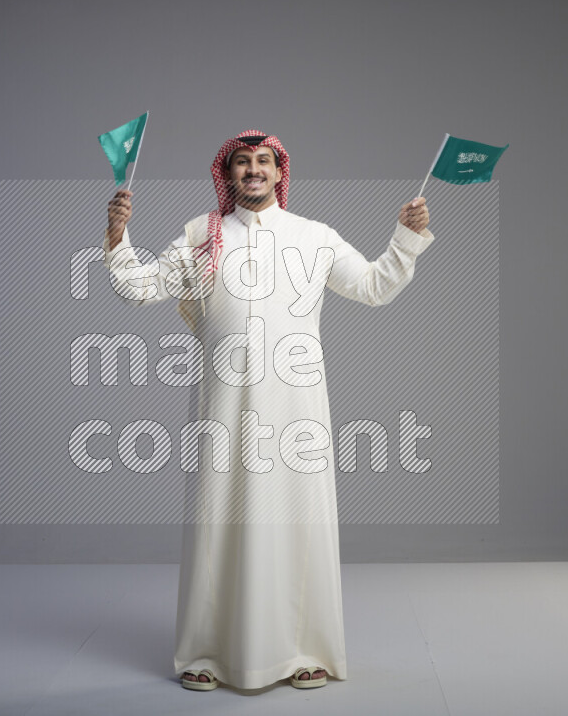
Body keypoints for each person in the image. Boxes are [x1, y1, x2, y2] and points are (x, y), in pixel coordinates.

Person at [102, 129, 434, 691]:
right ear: (227, 175)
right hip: (222, 407)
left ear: (280, 173)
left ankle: (304, 650)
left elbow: (375, 286)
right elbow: (140, 288)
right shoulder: (200, 237)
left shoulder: (314, 236)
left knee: (297, 522)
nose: (252, 170)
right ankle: (207, 654)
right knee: (217, 524)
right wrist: (116, 235)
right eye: (241, 163)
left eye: (262, 162)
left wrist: (407, 236)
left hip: (296, 410)